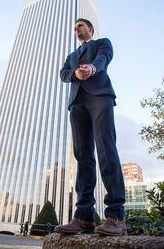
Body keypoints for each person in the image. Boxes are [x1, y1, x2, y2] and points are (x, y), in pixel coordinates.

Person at [55, 18, 126, 236]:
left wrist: (92, 68)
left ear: (91, 29)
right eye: (75, 27)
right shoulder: (71, 56)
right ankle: (83, 217)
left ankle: (116, 217)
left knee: (106, 150)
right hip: (77, 103)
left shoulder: (102, 43)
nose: (77, 29)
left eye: (81, 26)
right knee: (83, 157)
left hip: (99, 98)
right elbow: (63, 73)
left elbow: (104, 59)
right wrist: (74, 73)